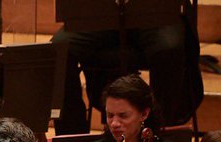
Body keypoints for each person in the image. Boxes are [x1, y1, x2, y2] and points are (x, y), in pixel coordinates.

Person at [53, 12, 201, 135]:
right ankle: (71, 140)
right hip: (100, 16)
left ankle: (157, 134)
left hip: (155, 16)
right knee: (59, 48)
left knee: (169, 47)